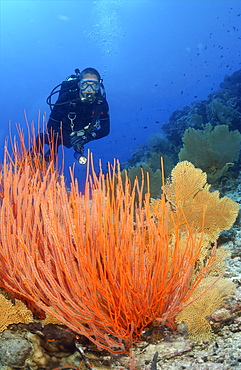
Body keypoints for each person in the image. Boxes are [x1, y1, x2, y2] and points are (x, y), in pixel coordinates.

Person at [43, 67, 110, 164]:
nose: (89, 90)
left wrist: (88, 137)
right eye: (85, 85)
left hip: (83, 134)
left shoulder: (101, 103)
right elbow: (50, 126)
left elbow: (105, 130)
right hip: (63, 131)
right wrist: (68, 138)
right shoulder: (67, 97)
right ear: (79, 84)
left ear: (98, 86)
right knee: (52, 145)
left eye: (94, 85)